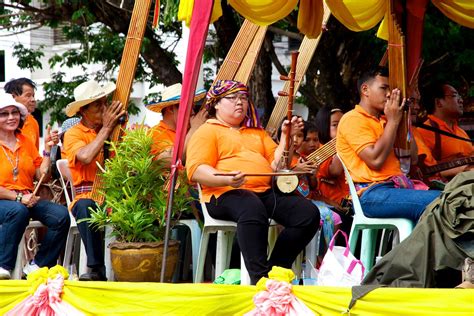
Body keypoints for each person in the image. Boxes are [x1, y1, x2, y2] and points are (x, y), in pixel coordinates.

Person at [186, 80, 320, 284]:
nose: (239, 102)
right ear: (216, 104)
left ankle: (275, 270)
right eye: (232, 98)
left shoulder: (257, 132)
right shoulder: (207, 131)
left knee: (307, 213)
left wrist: (286, 137)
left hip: (263, 194)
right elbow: (196, 170)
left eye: (243, 98)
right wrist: (226, 179)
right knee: (250, 205)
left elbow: (277, 166)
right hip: (222, 195)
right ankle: (259, 278)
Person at [336, 67, 440, 223]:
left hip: (396, 188)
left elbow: (412, 158)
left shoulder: (386, 120)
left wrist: (403, 120)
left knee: (454, 197)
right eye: (384, 88)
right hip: (370, 194)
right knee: (444, 201)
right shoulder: (352, 119)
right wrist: (393, 121)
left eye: (391, 89)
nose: (389, 94)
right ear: (365, 89)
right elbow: (375, 161)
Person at [0, 92, 70, 280]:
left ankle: (37, 266)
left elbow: (41, 176)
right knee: (17, 211)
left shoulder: (25, 141)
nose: (11, 117)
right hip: (7, 201)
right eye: (4, 114)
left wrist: (47, 149)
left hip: (25, 199)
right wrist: (18, 198)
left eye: (14, 113)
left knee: (61, 216)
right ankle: (3, 266)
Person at [63, 80, 125, 281]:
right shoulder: (73, 133)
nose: (105, 108)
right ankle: (96, 268)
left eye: (105, 102)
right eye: (98, 105)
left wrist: (117, 128)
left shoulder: (114, 130)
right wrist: (107, 128)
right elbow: (86, 157)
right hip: (87, 194)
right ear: (83, 111)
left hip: (116, 195)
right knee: (85, 206)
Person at [417, 82, 473, 175]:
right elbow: (426, 170)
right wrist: (465, 170)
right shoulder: (424, 132)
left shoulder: (460, 132)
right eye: (454, 96)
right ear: (438, 102)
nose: (461, 100)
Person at [147, 83, 207, 162]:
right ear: (171, 109)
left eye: (193, 108)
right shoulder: (155, 133)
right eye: (188, 107)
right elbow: (170, 160)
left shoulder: (189, 131)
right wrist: (195, 128)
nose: (193, 112)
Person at [4, 78, 40, 150]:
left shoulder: (33, 122)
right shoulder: (4, 123)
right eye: (28, 95)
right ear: (13, 97)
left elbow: (36, 158)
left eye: (33, 95)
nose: (33, 100)